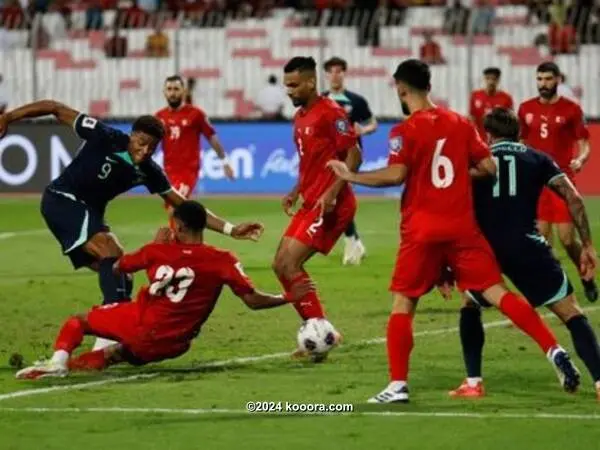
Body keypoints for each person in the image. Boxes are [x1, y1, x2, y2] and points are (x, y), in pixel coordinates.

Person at [327, 59, 580, 403]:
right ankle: (553, 350)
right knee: (497, 292)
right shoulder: (461, 123)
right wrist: (458, 177)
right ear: (429, 87)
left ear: (401, 89)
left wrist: (350, 176)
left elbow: (396, 175)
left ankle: (397, 385)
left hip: (422, 230)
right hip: (462, 227)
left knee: (404, 303)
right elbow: (489, 168)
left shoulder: (404, 131)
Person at [0, 100, 262, 350]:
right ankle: (109, 328)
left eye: (153, 147)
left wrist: (231, 229)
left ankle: (110, 335)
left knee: (121, 272)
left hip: (89, 212)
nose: (145, 150)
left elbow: (184, 206)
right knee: (111, 253)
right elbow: (54, 108)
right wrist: (9, 117)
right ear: (132, 135)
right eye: (141, 142)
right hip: (62, 199)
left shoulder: (149, 170)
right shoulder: (105, 136)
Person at [16, 201, 297, 379]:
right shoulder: (223, 260)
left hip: (142, 323)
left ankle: (57, 363)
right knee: (115, 354)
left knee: (79, 320)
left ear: (178, 226)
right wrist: (287, 297)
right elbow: (254, 301)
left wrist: (154, 246)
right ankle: (71, 368)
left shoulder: (157, 251)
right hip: (175, 344)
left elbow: (117, 267)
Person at [449, 108, 600, 400]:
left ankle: (473, 382)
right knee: (571, 313)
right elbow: (574, 199)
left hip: (485, 249)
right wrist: (588, 246)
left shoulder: (476, 161)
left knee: (470, 304)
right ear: (519, 133)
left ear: (488, 135)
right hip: (527, 246)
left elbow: (457, 204)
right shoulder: (537, 158)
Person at [274, 56, 362, 360]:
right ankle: (320, 331)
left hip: (331, 205)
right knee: (279, 265)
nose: (289, 91)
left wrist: (333, 192)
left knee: (291, 265)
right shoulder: (300, 117)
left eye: (294, 85)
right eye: (287, 85)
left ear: (311, 82)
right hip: (310, 200)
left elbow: (354, 156)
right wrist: (295, 190)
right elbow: (310, 162)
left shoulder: (331, 113)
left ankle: (320, 333)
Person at [518, 62, 597, 302]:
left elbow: (584, 142)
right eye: (540, 79)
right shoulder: (525, 108)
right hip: (536, 182)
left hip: (561, 180)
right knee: (542, 239)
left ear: (558, 80)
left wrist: (581, 159)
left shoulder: (571, 109)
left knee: (566, 239)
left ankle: (585, 275)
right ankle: (554, 287)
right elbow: (521, 140)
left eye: (548, 79)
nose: (543, 84)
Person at [156, 75, 235, 227]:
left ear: (184, 91)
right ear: (164, 92)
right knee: (175, 211)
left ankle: (176, 245)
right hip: (168, 172)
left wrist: (224, 161)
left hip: (187, 170)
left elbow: (211, 137)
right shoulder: (160, 117)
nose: (172, 93)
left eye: (176, 89)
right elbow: (151, 142)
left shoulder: (196, 114)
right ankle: (183, 243)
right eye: (169, 89)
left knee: (175, 208)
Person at [322, 56, 377, 265]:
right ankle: (354, 241)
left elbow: (373, 123)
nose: (335, 75)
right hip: (330, 156)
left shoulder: (356, 101)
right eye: (331, 71)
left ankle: (351, 242)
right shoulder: (321, 100)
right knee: (339, 198)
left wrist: (364, 129)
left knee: (339, 196)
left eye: (339, 71)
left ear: (345, 73)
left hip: (351, 155)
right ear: (326, 75)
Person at [469, 67, 513, 139]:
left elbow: (510, 121)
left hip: (498, 140)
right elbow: (472, 117)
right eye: (488, 78)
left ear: (498, 80)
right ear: (484, 79)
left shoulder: (506, 98)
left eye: (494, 79)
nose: (490, 82)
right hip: (479, 139)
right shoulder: (475, 95)